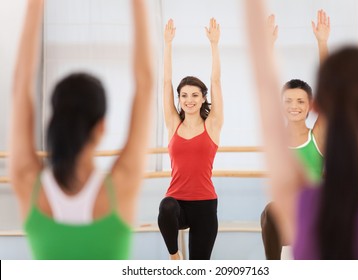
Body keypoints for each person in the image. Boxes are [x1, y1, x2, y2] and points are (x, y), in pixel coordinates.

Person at [246, 0, 358, 259]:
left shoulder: (304, 206)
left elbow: (265, 93)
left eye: (301, 101)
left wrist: (264, 43)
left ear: (316, 105)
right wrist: (322, 43)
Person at [10, 0, 154, 259]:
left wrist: (34, 6)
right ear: (101, 126)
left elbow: (20, 85)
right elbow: (145, 84)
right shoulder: (121, 186)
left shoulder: (28, 183)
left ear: (54, 119)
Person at [260, 10, 330, 260]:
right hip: (288, 221)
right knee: (269, 212)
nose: (294, 106)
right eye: (288, 101)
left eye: (301, 101)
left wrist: (322, 42)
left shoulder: (317, 136)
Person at [157, 18, 223, 260]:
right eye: (184, 95)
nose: (189, 100)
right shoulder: (173, 124)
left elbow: (215, 81)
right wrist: (167, 44)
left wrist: (214, 45)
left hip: (205, 204)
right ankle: (175, 256)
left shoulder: (212, 125)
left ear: (203, 98)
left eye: (195, 95)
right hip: (178, 204)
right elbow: (165, 82)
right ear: (180, 99)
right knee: (166, 206)